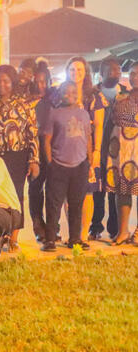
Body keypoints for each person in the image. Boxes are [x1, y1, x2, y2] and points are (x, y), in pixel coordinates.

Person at [0, 64, 40, 250]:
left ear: (12, 82)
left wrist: (34, 159)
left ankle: (13, 238)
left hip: (18, 156)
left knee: (16, 196)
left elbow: (32, 133)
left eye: (6, 80)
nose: (1, 84)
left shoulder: (24, 103)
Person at [40, 81, 92, 252]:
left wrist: (89, 161)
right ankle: (50, 239)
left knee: (76, 204)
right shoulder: (54, 114)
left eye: (73, 91)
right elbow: (46, 139)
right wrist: (50, 163)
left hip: (80, 165)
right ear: (59, 94)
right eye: (65, 92)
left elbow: (88, 138)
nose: (70, 94)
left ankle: (75, 238)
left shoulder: (84, 114)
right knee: (53, 204)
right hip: (59, 165)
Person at [62, 56, 108, 242]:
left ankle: (83, 234)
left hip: (88, 152)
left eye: (79, 70)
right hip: (65, 152)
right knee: (67, 192)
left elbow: (99, 126)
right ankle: (73, 234)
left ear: (86, 72)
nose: (76, 73)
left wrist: (97, 152)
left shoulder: (94, 96)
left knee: (87, 192)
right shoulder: (61, 94)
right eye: (72, 70)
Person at [90, 57, 128, 241]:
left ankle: (114, 229)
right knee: (97, 191)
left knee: (114, 191)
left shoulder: (126, 94)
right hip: (98, 150)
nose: (117, 73)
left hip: (118, 151)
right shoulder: (93, 94)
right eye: (112, 70)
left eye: (119, 70)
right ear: (102, 73)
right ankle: (95, 227)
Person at [105, 61, 138, 245]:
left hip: (137, 149)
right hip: (120, 149)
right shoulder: (120, 96)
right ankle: (123, 231)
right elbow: (111, 120)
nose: (134, 77)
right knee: (122, 189)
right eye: (132, 73)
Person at [27, 64, 55, 241]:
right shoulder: (28, 100)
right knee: (35, 187)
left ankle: (53, 227)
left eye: (44, 81)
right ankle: (38, 223)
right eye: (37, 81)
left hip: (52, 147)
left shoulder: (55, 99)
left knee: (53, 189)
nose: (41, 85)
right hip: (33, 149)